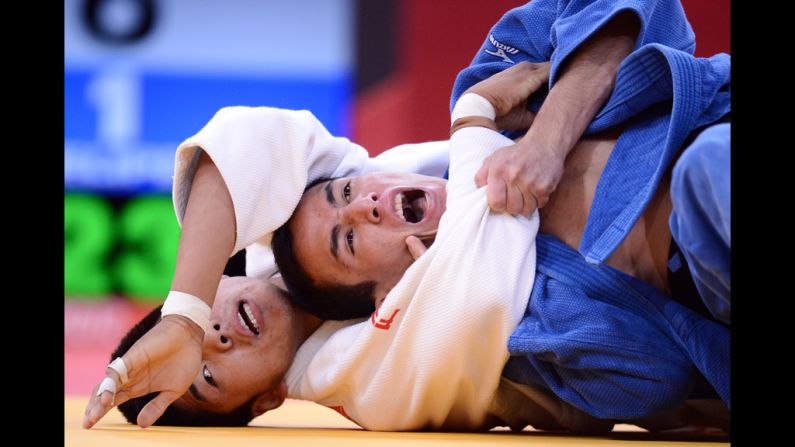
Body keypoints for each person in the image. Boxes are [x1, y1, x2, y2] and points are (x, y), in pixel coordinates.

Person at [84, 0, 728, 429]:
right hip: (704, 255)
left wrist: (186, 316)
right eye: (206, 376)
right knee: (706, 178)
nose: (217, 340)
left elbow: (239, 145)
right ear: (265, 401)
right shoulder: (423, 365)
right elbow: (650, 377)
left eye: (346, 197)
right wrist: (479, 128)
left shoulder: (479, 98)